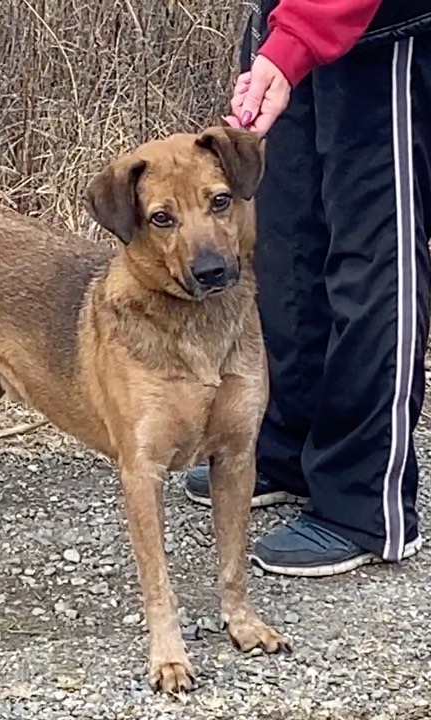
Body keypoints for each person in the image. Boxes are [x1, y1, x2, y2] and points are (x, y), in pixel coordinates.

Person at [183, 0, 431, 577]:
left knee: (375, 259)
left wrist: (295, 34)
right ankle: (289, 449)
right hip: (287, 22)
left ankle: (365, 502)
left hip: (382, 29)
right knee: (287, 244)